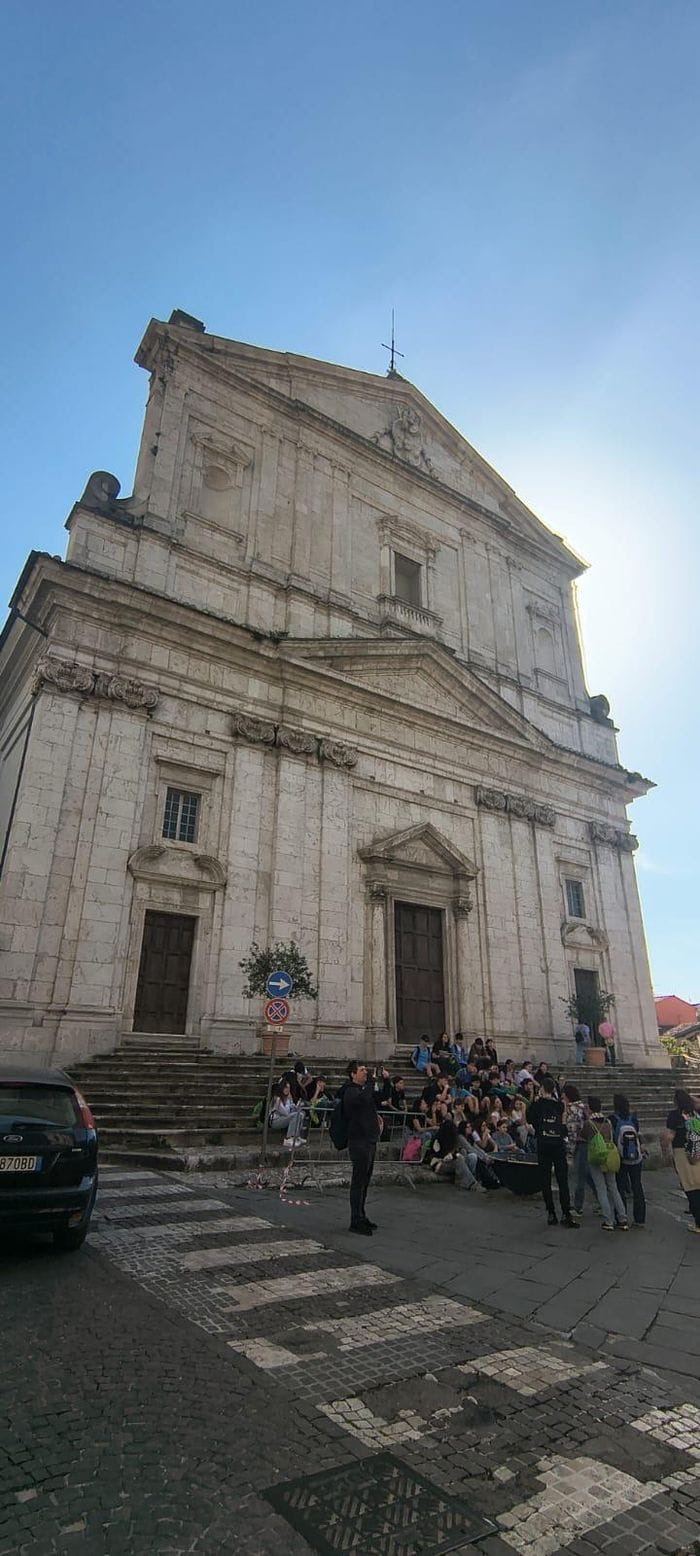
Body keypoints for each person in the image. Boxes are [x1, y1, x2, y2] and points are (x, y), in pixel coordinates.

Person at [527, 1075, 578, 1228]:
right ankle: (566, 1213)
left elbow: (530, 1119)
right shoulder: (559, 1105)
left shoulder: (537, 1104)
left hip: (543, 1144)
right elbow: (562, 1123)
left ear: (542, 1089)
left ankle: (551, 1213)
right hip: (558, 1144)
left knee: (546, 1179)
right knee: (562, 1180)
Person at [343, 1060, 382, 1235]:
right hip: (358, 1141)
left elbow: (379, 1099)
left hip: (369, 1140)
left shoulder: (364, 1090)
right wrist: (371, 1083)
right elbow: (363, 1100)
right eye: (361, 1070)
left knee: (365, 1181)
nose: (365, 1072)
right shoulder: (350, 1091)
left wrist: (384, 1081)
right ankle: (355, 1219)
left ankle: (361, 1214)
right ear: (352, 1074)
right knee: (358, 1182)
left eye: (366, 1070)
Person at [582, 1096, 628, 1231]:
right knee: (613, 1187)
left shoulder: (589, 1124)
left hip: (596, 1156)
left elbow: (583, 1136)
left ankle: (609, 1220)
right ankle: (622, 1217)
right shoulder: (608, 1122)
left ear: (590, 1108)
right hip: (609, 1155)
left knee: (601, 1188)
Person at [663, 1089, 700, 1233]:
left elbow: (669, 1136)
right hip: (697, 1150)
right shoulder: (696, 1113)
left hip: (682, 1153)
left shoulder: (675, 1116)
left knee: (691, 1187)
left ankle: (698, 1222)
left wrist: (664, 1148)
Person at [609, 1091, 646, 1227]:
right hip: (636, 1157)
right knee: (637, 1186)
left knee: (620, 1187)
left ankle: (621, 1216)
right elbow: (638, 1133)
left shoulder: (612, 1119)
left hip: (620, 1157)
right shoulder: (633, 1118)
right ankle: (640, 1218)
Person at [562, 1082, 589, 1217]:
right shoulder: (583, 1107)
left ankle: (578, 1207)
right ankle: (602, 1203)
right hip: (587, 1142)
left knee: (579, 1176)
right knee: (588, 1175)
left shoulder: (572, 1110)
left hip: (579, 1144)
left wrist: (569, 1151)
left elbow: (572, 1131)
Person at [268, 1082, 306, 1146]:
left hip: (284, 1118)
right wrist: (291, 1105)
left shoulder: (288, 1099)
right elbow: (285, 1112)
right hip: (276, 1121)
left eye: (289, 1088)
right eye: (285, 1087)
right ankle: (289, 1138)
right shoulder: (277, 1099)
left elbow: (292, 1110)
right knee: (296, 1115)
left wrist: (297, 1106)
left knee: (301, 1114)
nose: (287, 1089)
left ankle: (297, 1136)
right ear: (281, 1088)